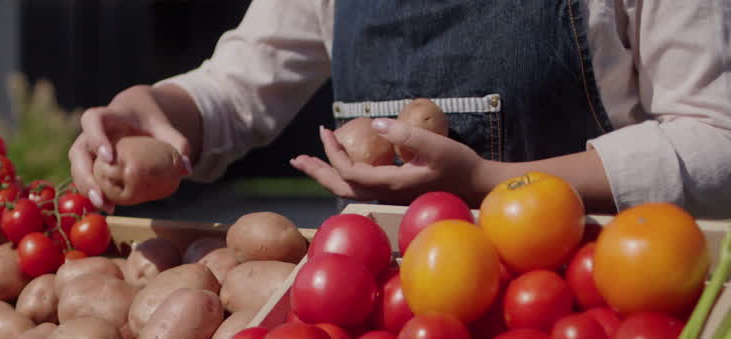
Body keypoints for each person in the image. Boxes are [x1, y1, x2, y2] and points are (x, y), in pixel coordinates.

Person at [69, 0, 731, 218]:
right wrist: (154, 109)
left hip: (580, 320)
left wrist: (487, 186)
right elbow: (239, 85)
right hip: (375, 327)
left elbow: (715, 138)